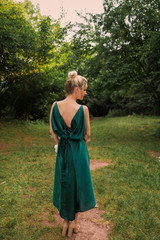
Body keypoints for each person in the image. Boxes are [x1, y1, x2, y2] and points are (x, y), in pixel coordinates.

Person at [49, 71, 96, 237]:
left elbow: (53, 132)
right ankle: (73, 222)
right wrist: (77, 141)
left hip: (63, 150)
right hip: (78, 150)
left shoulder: (55, 106)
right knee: (78, 184)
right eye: (84, 89)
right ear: (76, 89)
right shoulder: (83, 109)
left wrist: (61, 144)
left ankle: (65, 222)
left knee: (65, 182)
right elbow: (87, 135)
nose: (85, 92)